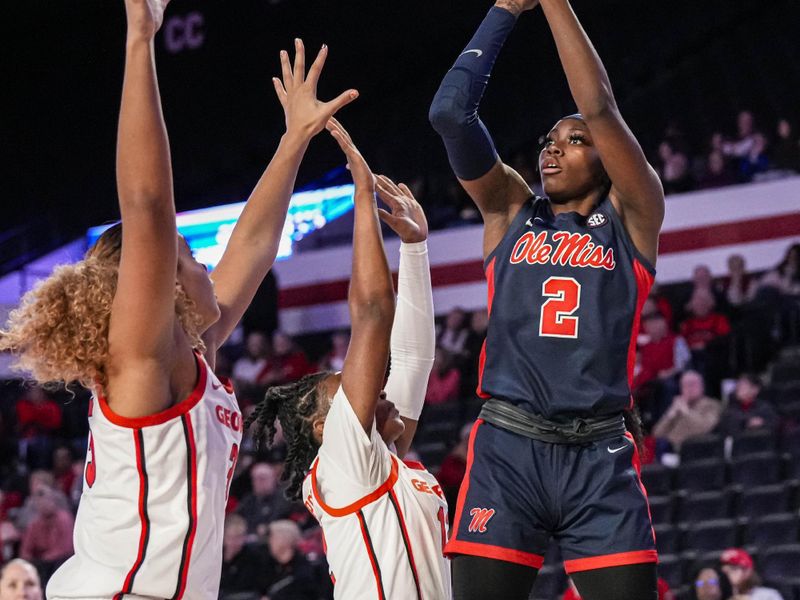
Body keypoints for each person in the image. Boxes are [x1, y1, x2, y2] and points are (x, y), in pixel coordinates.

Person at [0, 0, 357, 595]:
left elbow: (256, 246)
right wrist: (141, 40)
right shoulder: (143, 356)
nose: (207, 266)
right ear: (161, 280)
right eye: (191, 257)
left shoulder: (192, 353)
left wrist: (295, 140)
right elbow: (145, 205)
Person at [429, 0, 665, 598]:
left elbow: (600, 106)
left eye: (575, 140)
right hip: (509, 449)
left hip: (601, 455)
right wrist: (506, 9)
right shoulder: (509, 210)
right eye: (548, 140)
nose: (552, 149)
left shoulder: (634, 217)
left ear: (608, 160)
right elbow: (451, 114)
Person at [247, 120, 451, 598]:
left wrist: (416, 247)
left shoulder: (381, 463)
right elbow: (375, 313)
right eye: (356, 387)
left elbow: (413, 360)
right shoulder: (343, 462)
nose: (377, 385)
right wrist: (362, 197)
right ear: (326, 427)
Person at [652, 370, 721, 453]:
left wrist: (686, 412)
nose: (689, 388)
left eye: (692, 384)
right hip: (670, 450)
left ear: (702, 386)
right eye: (685, 385)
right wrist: (671, 415)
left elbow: (707, 427)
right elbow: (657, 433)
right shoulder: (677, 406)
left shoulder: (711, 404)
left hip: (696, 450)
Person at [720, 548, 784, 600]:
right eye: (725, 570)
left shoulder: (768, 595)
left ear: (747, 570)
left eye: (733, 568)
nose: (728, 574)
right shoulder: (720, 596)